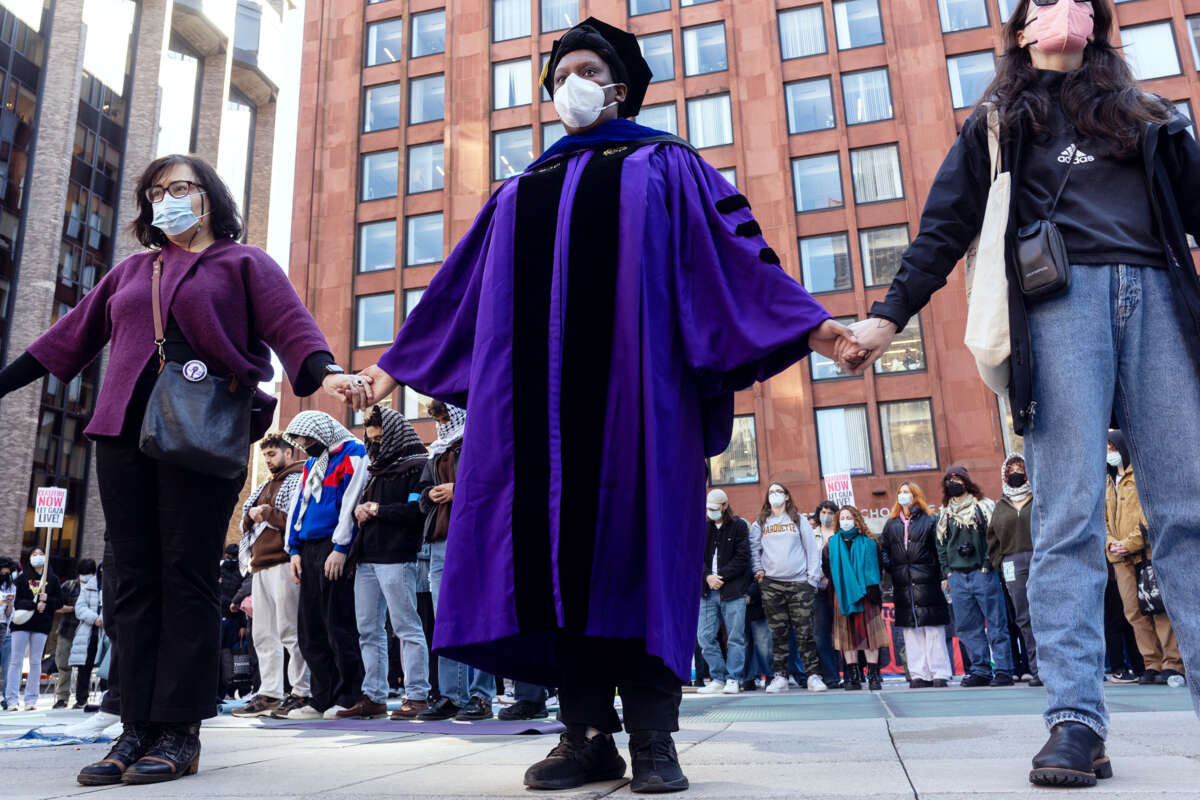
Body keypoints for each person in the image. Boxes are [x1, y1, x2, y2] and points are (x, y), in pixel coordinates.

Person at [343, 17, 857, 792]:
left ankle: (654, 738)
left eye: (586, 70)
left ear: (619, 87)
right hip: (537, 428)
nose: (569, 86)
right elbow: (457, 295)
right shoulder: (522, 190)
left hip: (639, 414)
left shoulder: (668, 166)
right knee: (559, 571)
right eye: (559, 77)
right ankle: (584, 734)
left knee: (641, 557)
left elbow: (735, 263)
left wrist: (816, 331)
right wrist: (386, 375)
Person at [843, 0, 1200, 785]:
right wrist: (884, 319)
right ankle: (1075, 722)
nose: (1061, 10)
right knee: (1067, 519)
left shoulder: (1149, 116)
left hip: (1160, 305)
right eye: (1042, 1)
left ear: (1100, 24)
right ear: (1019, 29)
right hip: (1058, 307)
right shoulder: (1001, 122)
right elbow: (943, 227)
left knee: (1188, 514)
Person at [0, 154, 361, 784]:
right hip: (121, 433)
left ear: (209, 197)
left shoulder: (243, 262)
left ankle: (179, 730)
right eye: (156, 191)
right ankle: (134, 725)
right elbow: (64, 339)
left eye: (181, 188)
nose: (167, 199)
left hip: (202, 431)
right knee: (130, 579)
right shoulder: (131, 271)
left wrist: (329, 374)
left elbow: (292, 329)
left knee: (185, 574)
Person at [342, 405, 432, 721]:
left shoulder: (419, 465)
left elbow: (417, 510)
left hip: (399, 556)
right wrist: (361, 512)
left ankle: (417, 696)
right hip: (366, 559)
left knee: (406, 627)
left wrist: (377, 510)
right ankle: (374, 697)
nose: (374, 445)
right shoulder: (373, 470)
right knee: (368, 630)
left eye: (379, 439)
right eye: (370, 439)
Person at [283, 411, 369, 722]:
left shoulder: (354, 454)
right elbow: (298, 507)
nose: (303, 444)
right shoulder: (311, 465)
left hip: (333, 547)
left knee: (339, 625)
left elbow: (352, 500)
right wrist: (293, 548)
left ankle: (348, 695)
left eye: (306, 437)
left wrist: (341, 547)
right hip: (308, 549)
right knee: (310, 629)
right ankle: (321, 697)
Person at [416, 401, 497, 723]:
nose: (440, 423)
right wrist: (430, 495)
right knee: (445, 621)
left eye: (445, 416)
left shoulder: (481, 442)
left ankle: (480, 696)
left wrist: (458, 490)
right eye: (437, 418)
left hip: (473, 538)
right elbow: (419, 495)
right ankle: (450, 695)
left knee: (478, 617)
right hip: (439, 540)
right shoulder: (436, 451)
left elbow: (494, 485)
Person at [232, 434, 310, 720]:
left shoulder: (299, 477)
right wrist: (253, 515)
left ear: (289, 453)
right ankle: (270, 692)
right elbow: (245, 520)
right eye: (265, 455)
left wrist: (268, 514)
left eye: (273, 454)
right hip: (260, 565)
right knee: (263, 633)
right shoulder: (265, 484)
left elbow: (297, 518)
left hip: (284, 560)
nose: (268, 459)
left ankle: (302, 691)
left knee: (291, 630)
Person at [1104, 431, 1182, 686]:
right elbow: (1102, 519)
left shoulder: (1139, 477)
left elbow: (1149, 515)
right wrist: (1111, 545)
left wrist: (1129, 544)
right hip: (1120, 559)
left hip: (1144, 553)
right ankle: (1151, 663)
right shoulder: (1107, 482)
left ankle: (1173, 663)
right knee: (1134, 614)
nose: (1109, 453)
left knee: (1157, 609)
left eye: (1112, 447)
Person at [934, 467, 1013, 688]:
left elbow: (994, 537)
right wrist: (947, 570)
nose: (953, 483)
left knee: (996, 623)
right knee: (968, 627)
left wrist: (989, 564)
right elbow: (940, 544)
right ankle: (979, 669)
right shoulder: (944, 512)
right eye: (949, 480)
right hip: (958, 576)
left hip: (982, 572)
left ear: (967, 481)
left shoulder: (983, 506)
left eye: (957, 479)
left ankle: (1004, 669)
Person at [749, 483, 827, 695]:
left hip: (799, 583)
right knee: (778, 633)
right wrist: (758, 572)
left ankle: (813, 675)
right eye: (772, 492)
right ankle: (780, 676)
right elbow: (754, 550)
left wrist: (812, 578)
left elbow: (812, 549)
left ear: (786, 497)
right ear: (768, 497)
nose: (775, 495)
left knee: (805, 632)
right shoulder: (760, 523)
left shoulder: (798, 520)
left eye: (779, 492)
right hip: (771, 584)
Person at [881, 483, 951, 689]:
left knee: (933, 630)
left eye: (907, 492)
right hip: (903, 583)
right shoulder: (891, 524)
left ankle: (939, 673)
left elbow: (939, 549)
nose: (903, 496)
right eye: (900, 492)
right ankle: (918, 674)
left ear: (916, 496)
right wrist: (892, 566)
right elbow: (884, 549)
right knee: (911, 632)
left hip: (927, 581)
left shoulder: (930, 521)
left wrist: (941, 575)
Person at [987, 454, 1041, 687]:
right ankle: (1037, 670)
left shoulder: (1038, 498)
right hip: (1012, 563)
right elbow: (992, 540)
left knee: (1046, 613)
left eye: (1021, 468)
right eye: (1012, 470)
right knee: (1024, 617)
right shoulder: (1000, 506)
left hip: (1039, 558)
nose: (1016, 473)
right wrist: (1001, 561)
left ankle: (1056, 667)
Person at [821, 507, 886, 691]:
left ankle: (873, 675)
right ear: (838, 521)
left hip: (866, 594)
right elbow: (827, 568)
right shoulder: (831, 544)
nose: (846, 520)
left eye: (849, 517)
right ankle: (853, 676)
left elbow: (879, 566)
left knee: (870, 636)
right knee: (847, 636)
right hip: (842, 595)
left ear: (856, 519)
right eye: (842, 518)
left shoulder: (870, 542)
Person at [696, 489, 751, 695]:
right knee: (704, 636)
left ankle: (733, 678)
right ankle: (717, 677)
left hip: (732, 590)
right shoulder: (702, 527)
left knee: (735, 637)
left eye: (714, 508)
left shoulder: (739, 526)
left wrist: (721, 577)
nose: (710, 512)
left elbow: (743, 557)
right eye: (708, 508)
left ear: (725, 506)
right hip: (707, 590)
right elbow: (694, 556)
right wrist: (708, 576)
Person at [5, 548, 62, 711]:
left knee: (35, 662)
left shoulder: (52, 579)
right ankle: (12, 700)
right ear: (29, 558)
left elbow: (59, 602)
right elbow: (15, 601)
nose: (37, 558)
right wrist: (34, 604)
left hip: (41, 625)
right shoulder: (21, 579)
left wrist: (48, 600)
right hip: (21, 624)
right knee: (16, 661)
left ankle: (31, 700)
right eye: (34, 555)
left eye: (41, 555)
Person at [810, 500, 844, 688]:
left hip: (839, 589)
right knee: (821, 634)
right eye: (824, 511)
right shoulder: (811, 534)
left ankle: (851, 673)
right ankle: (830, 676)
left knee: (844, 632)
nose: (827, 515)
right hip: (818, 590)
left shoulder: (840, 535)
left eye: (831, 512)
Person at [67, 560, 103, 709]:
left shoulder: (115, 585)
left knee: (106, 666)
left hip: (107, 632)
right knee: (84, 666)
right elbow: (79, 608)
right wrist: (94, 618)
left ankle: (106, 697)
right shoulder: (89, 587)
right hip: (89, 631)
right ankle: (81, 699)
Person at [51, 564, 82, 708]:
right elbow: (57, 606)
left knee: (84, 666)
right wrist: (77, 609)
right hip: (67, 629)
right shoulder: (69, 586)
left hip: (86, 632)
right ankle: (62, 697)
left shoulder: (97, 587)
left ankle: (82, 697)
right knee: (62, 663)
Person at [0, 556, 15, 709]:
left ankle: (6, 698)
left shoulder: (10, 587)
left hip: (5, 626)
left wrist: (9, 603)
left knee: (6, 667)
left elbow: (9, 613)